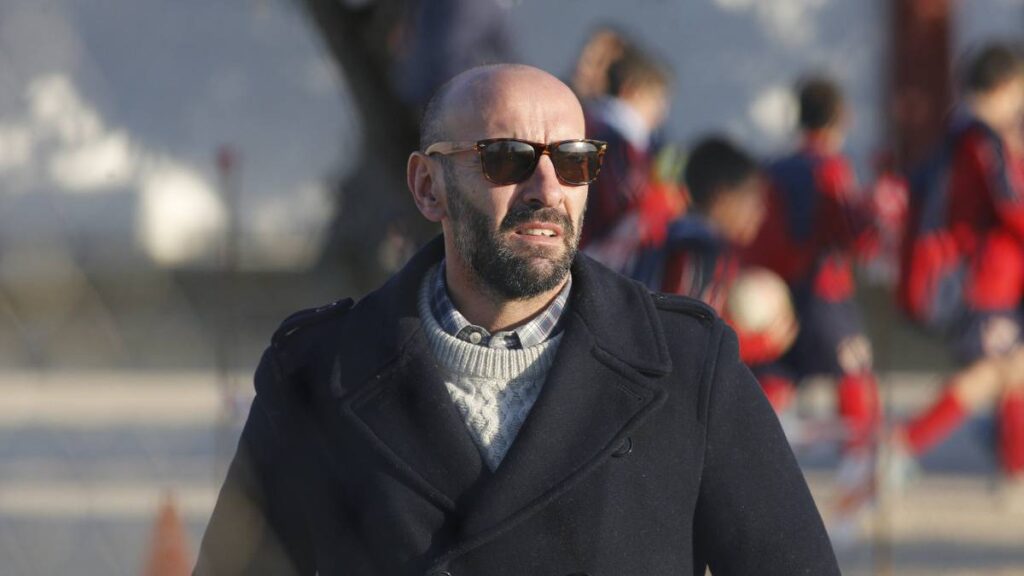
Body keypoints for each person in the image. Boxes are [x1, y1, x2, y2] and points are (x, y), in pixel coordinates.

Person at [195, 64, 839, 575]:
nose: (548, 189)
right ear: (427, 187)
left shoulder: (689, 367)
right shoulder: (317, 373)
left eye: (575, 160)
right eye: (506, 158)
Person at [891, 43, 1024, 493]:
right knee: (992, 373)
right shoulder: (984, 141)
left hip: (983, 277)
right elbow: (1011, 207)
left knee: (1012, 369)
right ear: (1006, 86)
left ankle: (1014, 466)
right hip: (982, 280)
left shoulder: (960, 133)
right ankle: (902, 442)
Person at [744, 76, 881, 454]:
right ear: (841, 117)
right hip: (823, 288)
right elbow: (852, 234)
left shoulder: (774, 166)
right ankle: (859, 464)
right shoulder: (831, 168)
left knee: (780, 371)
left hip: (777, 288)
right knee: (854, 371)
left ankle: (753, 451)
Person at [661, 136, 797, 400]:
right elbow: (687, 346)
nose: (760, 212)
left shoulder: (681, 240)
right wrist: (762, 343)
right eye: (753, 200)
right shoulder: (699, 254)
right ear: (722, 197)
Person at [579, 44, 680, 282]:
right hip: (594, 265)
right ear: (631, 90)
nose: (660, 114)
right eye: (656, 100)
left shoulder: (585, 124)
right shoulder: (618, 145)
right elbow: (625, 206)